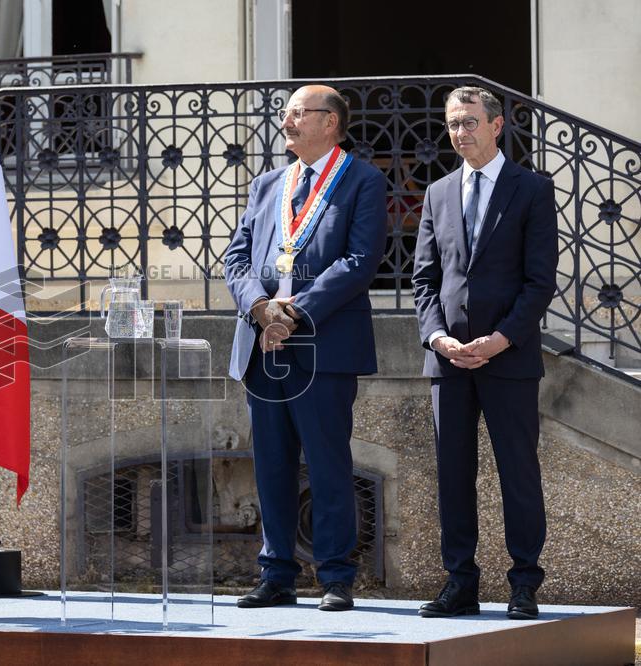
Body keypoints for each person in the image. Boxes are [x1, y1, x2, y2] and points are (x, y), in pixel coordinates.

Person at [224, 85, 387, 611]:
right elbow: (237, 257)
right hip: (262, 345)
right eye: (286, 112)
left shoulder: (362, 180)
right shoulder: (267, 183)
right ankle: (276, 574)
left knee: (327, 462)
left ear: (330, 122)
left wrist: (293, 313)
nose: (287, 121)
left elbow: (359, 262)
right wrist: (259, 307)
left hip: (323, 346)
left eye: (298, 113)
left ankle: (336, 576)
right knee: (271, 463)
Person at [412, 86, 558, 620]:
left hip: (509, 358)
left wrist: (500, 339)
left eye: (470, 122)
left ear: (496, 126)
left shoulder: (532, 189)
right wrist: (437, 337)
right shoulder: (438, 192)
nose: (460, 132)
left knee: (518, 472)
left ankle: (524, 583)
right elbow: (424, 280)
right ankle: (460, 583)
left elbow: (540, 282)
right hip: (448, 360)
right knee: (453, 475)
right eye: (453, 123)